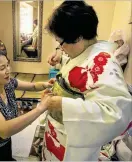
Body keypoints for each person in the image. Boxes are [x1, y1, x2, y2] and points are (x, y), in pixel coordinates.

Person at [42, 1, 132, 161]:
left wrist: (61, 103)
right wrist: (60, 71)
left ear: (78, 37)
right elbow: (79, 74)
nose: (60, 47)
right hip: (59, 133)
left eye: (61, 43)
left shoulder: (103, 64)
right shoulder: (87, 53)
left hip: (73, 145)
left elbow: (116, 114)